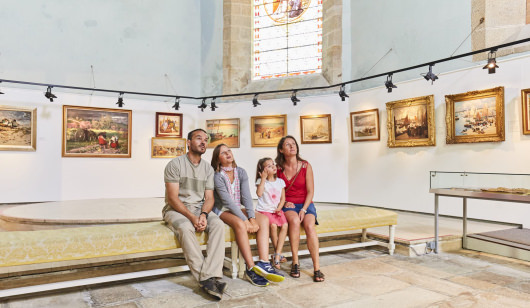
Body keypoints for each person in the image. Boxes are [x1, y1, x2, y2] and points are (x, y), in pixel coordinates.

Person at [162, 128, 226, 300]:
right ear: (188, 143)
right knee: (184, 227)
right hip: (175, 209)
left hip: (199, 208)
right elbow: (173, 199)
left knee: (219, 225)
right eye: (199, 138)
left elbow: (210, 198)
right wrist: (192, 218)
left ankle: (209, 276)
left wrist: (203, 215)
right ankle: (206, 279)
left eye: (206, 139)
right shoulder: (175, 165)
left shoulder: (208, 169)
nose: (203, 142)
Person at [211, 144, 284, 287]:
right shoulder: (217, 176)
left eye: (229, 151)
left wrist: (251, 218)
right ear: (218, 159)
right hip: (221, 209)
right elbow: (227, 202)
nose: (228, 154)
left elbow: (246, 198)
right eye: (223, 153)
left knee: (263, 219)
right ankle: (250, 269)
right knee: (239, 224)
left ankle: (263, 263)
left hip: (237, 207)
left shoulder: (241, 172)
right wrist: (246, 221)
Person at [275, 135, 325, 282]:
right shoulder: (277, 168)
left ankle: (317, 268)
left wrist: (304, 209)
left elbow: (310, 191)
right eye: (287, 144)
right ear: (281, 150)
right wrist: (283, 203)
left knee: (309, 226)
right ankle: (295, 262)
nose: (292, 146)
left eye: (293, 143)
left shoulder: (305, 165)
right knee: (295, 222)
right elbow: (273, 191)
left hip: (306, 203)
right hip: (288, 204)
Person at [255, 157, 288, 269]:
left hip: (277, 210)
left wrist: (279, 208)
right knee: (273, 226)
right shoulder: (261, 181)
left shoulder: (280, 182)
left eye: (273, 164)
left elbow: (283, 198)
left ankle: (277, 254)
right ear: (263, 170)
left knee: (285, 225)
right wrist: (263, 178)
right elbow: (259, 194)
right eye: (269, 166)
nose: (273, 166)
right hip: (265, 211)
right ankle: (277, 255)